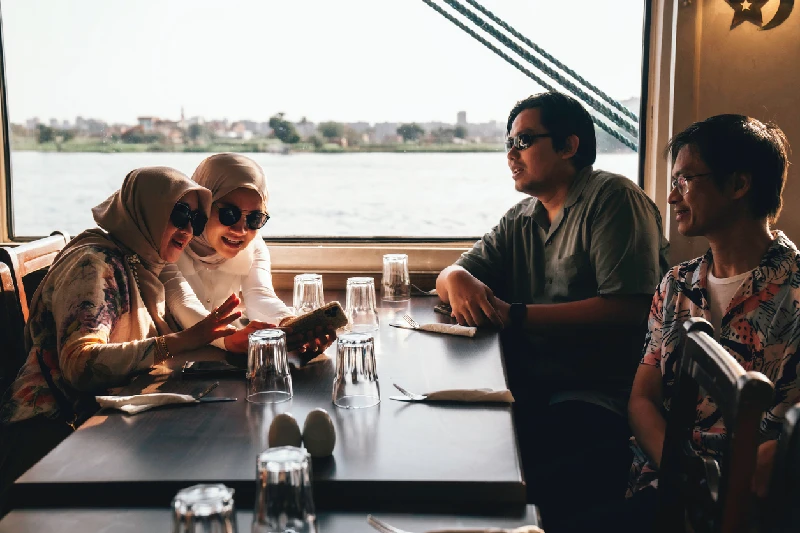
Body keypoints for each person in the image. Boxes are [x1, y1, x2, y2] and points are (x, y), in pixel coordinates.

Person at [435, 92, 669, 523]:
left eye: (523, 141)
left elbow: (628, 309)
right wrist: (458, 278)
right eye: (508, 144)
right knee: (446, 439)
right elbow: (447, 278)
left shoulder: (613, 199)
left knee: (491, 476)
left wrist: (514, 314)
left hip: (601, 396)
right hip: (535, 385)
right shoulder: (522, 217)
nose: (511, 154)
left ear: (568, 146)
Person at [0, 167, 242, 503]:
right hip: (50, 438)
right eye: (180, 214)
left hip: (99, 420)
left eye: (197, 221)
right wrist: (183, 341)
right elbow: (80, 364)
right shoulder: (95, 265)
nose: (188, 230)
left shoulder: (143, 261)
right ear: (148, 211)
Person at [620, 114, 799, 532]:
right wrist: (683, 473)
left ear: (739, 185)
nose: (670, 197)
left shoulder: (794, 290)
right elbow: (641, 400)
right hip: (662, 486)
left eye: (685, 180)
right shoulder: (676, 285)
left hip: (755, 504)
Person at [161, 153, 334, 356]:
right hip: (167, 356)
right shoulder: (171, 240)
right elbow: (180, 301)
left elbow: (260, 295)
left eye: (254, 219)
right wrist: (225, 339)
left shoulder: (254, 245)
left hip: (217, 359)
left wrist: (291, 325)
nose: (240, 230)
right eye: (229, 214)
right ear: (203, 206)